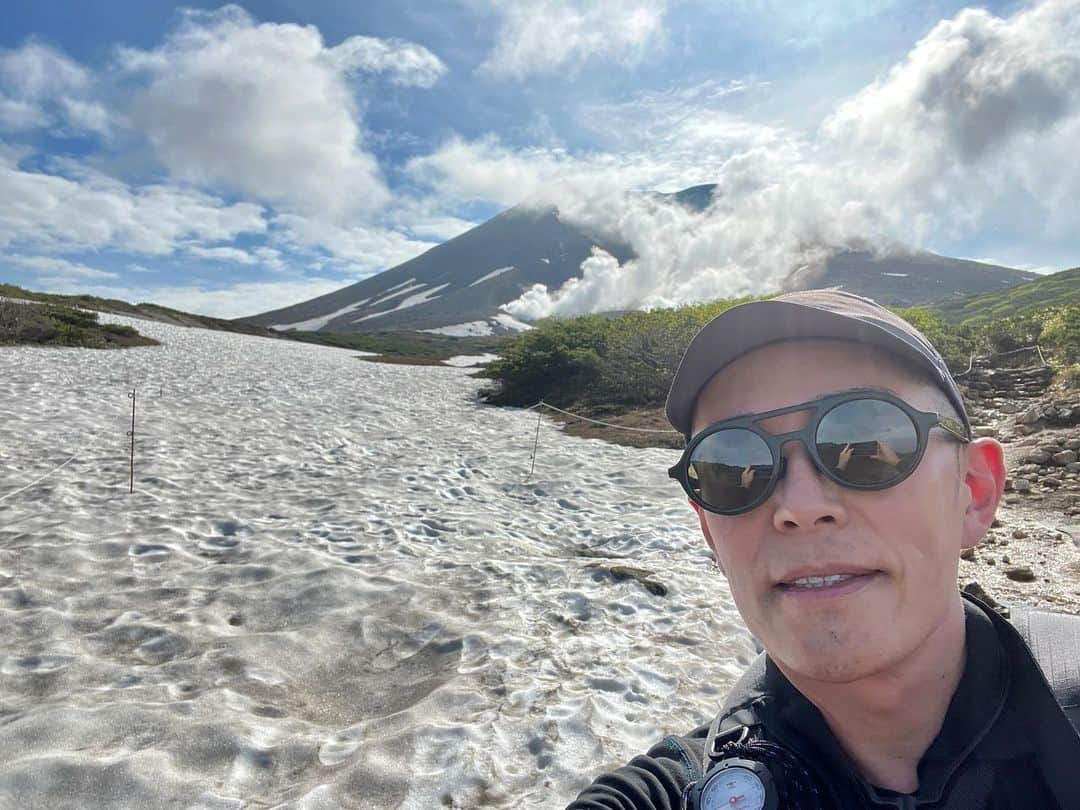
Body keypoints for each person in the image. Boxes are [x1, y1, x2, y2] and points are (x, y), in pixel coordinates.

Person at [567, 290, 1080, 809]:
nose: (800, 505)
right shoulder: (676, 791)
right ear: (710, 534)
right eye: (732, 468)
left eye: (863, 448)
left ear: (974, 491)